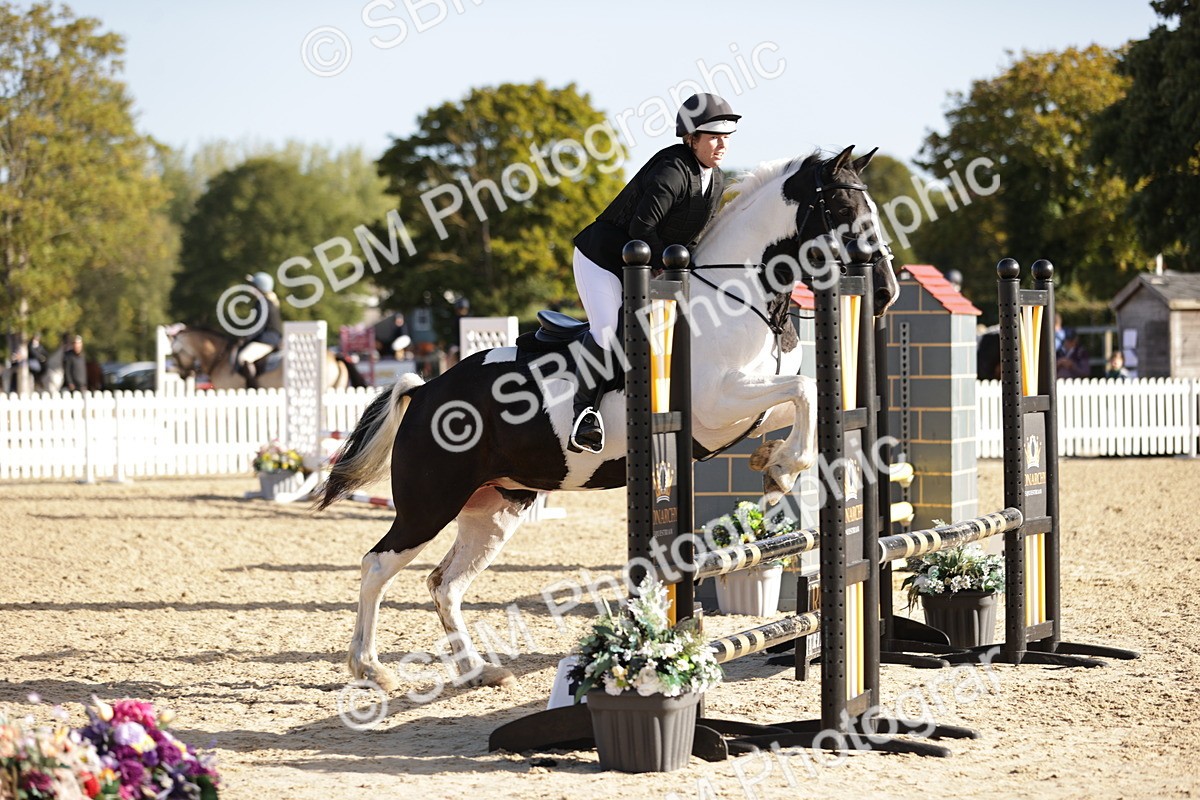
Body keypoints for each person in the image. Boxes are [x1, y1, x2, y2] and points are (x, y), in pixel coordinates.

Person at [567, 92, 740, 453]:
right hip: (603, 260)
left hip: (648, 264)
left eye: (726, 137)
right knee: (609, 328)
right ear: (691, 138)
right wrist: (676, 263)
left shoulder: (716, 179)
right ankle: (583, 416)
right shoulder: (671, 170)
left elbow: (693, 238)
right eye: (713, 137)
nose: (722, 144)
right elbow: (641, 229)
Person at [235, 271, 283, 388]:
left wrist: (246, 338)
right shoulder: (270, 301)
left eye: (253, 286)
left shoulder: (262, 303)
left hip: (267, 340)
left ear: (259, 288)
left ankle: (253, 388)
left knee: (243, 358)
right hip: (273, 338)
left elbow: (258, 327)